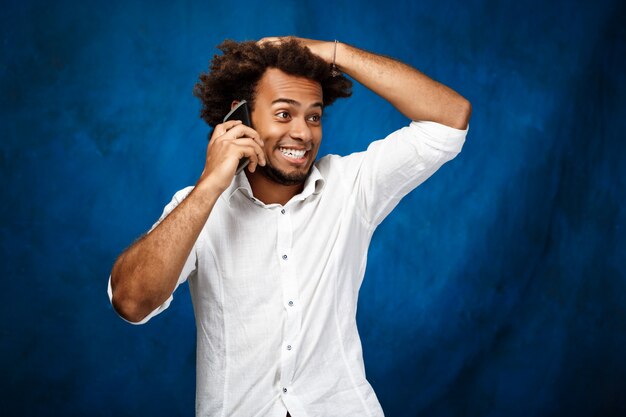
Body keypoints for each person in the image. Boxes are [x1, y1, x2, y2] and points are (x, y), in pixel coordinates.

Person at [108, 36, 471, 417]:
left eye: (314, 116)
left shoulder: (350, 187)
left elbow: (449, 118)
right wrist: (211, 183)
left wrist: (336, 54)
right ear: (241, 117)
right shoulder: (197, 207)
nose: (303, 132)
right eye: (284, 114)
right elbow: (131, 302)